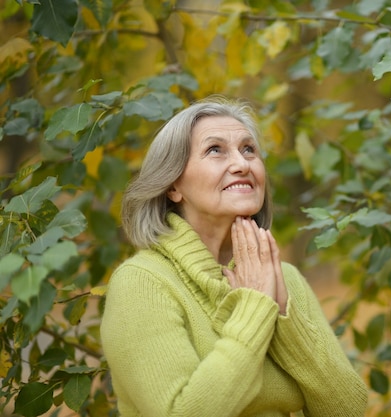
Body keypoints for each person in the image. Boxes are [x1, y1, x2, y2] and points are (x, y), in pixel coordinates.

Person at [100, 96, 368, 417]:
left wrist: (283, 314)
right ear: (173, 185)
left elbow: (349, 409)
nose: (242, 164)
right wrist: (256, 308)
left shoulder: (285, 278)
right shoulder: (142, 283)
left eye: (249, 149)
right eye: (215, 150)